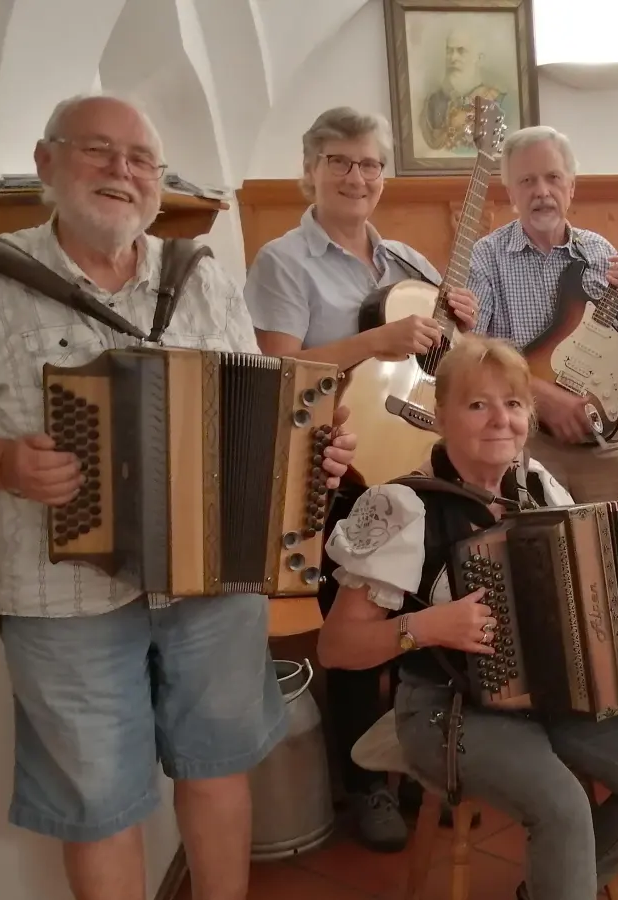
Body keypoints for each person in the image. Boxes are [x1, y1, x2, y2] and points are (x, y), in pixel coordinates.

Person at [0, 93, 358, 900]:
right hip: (62, 596)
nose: (122, 172)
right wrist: (3, 463)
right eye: (98, 151)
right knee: (98, 804)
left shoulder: (199, 277)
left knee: (217, 770)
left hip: (214, 580)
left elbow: (262, 412)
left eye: (140, 160)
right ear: (46, 162)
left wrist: (313, 451)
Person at [316, 335, 618, 900]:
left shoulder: (537, 484)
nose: (501, 420)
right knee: (564, 807)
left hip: (553, 692)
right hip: (446, 705)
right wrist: (426, 627)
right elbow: (337, 648)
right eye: (478, 405)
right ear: (440, 415)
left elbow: (596, 586)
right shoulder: (401, 506)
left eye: (515, 404)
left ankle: (552, 888)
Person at [244, 105, 479, 851]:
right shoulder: (283, 262)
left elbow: (442, 365)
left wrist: (461, 321)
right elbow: (279, 375)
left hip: (411, 465)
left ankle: (419, 749)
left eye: (371, 164)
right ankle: (364, 783)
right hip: (334, 470)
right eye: (341, 162)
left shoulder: (409, 261)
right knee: (356, 624)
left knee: (426, 610)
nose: (357, 177)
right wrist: (373, 337)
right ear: (310, 169)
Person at [469, 125, 618, 503]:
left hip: (606, 433)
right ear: (512, 193)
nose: (541, 192)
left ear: (571, 187)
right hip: (526, 434)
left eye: (553, 178)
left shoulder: (600, 251)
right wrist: (542, 397)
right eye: (527, 181)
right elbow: (472, 350)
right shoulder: (487, 257)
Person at [421, 27, 511, 153]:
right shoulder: (433, 103)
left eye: (461, 51)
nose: (453, 58)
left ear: (479, 58)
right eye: (449, 51)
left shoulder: (501, 101)